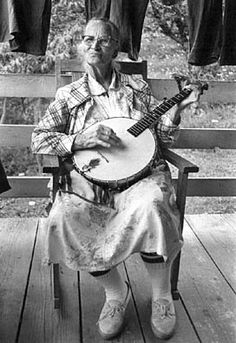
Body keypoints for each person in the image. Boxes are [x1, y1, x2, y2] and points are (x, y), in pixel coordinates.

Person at [31, 17, 200, 340]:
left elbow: (162, 138)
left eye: (103, 40)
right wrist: (78, 140)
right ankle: (115, 295)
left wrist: (177, 111)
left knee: (152, 204)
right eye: (87, 39)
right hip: (88, 181)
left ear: (116, 49)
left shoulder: (137, 89)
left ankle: (162, 297)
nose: (94, 45)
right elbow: (39, 138)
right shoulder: (69, 95)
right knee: (66, 217)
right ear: (81, 46)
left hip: (141, 178)